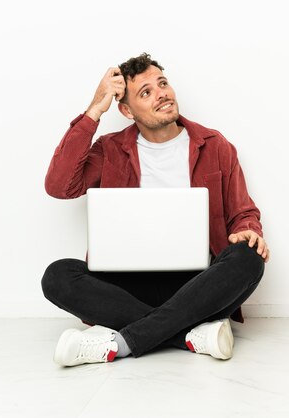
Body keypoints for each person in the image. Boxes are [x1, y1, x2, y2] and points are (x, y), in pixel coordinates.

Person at [41, 53, 269, 367]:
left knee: (249, 258)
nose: (161, 93)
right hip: (126, 286)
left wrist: (249, 231)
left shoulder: (215, 145)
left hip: (196, 284)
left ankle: (119, 343)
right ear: (126, 110)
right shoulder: (109, 150)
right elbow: (59, 185)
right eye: (146, 92)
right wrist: (94, 109)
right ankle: (189, 335)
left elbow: (243, 212)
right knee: (57, 276)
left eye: (162, 83)